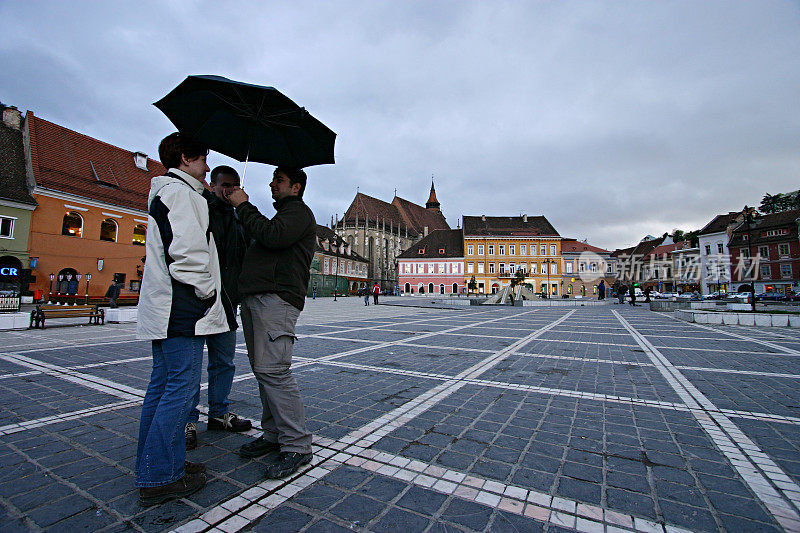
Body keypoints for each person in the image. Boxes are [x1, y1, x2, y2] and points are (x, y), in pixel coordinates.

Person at [134, 133, 229, 506]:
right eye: (204, 158)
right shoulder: (181, 193)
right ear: (188, 158)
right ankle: (160, 477)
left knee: (161, 390)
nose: (208, 166)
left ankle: (157, 463)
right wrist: (208, 294)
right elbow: (188, 254)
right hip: (184, 310)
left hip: (169, 310)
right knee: (179, 391)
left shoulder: (173, 191)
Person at [226, 167, 316, 479]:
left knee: (274, 371)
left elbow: (272, 237)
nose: (271, 183)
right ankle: (274, 435)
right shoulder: (282, 214)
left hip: (276, 300)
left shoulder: (298, 214)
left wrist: (243, 206)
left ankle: (297, 444)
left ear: (296, 187)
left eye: (278, 180)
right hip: (257, 297)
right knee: (263, 372)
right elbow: (262, 235)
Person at [184, 166, 251, 451]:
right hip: (199, 301)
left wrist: (245, 210)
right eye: (225, 185)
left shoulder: (239, 215)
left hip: (227, 301)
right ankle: (187, 420)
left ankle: (219, 413)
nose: (229, 190)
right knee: (190, 366)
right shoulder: (200, 208)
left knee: (224, 362)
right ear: (212, 185)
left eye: (234, 185)